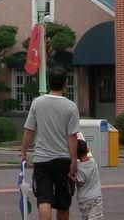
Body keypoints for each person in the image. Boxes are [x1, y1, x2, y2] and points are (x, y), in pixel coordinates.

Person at [19, 66, 80, 220]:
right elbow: (72, 136)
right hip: (63, 160)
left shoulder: (37, 103)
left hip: (42, 159)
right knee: (63, 202)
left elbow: (28, 130)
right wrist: (73, 160)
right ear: (66, 83)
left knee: (44, 199)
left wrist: (23, 152)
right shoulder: (71, 107)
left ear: (48, 82)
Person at [74, 139, 104, 220]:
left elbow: (80, 181)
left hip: (84, 199)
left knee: (86, 217)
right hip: (96, 197)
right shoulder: (93, 162)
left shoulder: (79, 167)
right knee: (96, 217)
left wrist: (71, 177)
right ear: (87, 150)